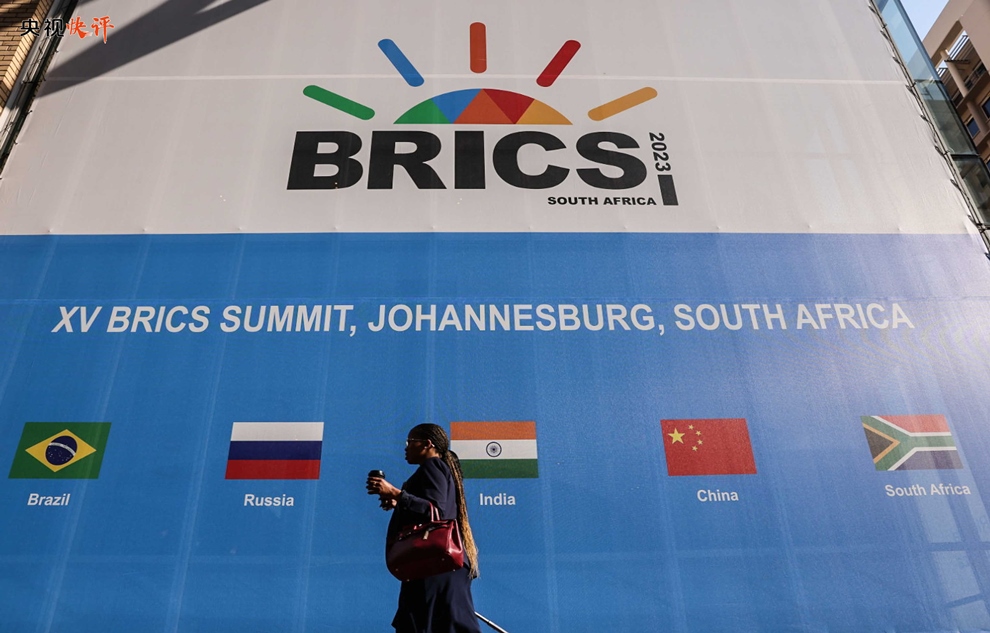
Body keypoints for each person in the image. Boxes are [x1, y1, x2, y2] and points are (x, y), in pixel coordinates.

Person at [366, 423, 482, 633]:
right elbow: (432, 509)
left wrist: (397, 493)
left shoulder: (432, 466)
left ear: (427, 444)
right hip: (435, 565)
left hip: (434, 565)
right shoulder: (438, 468)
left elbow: (436, 512)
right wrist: (399, 503)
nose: (406, 447)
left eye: (410, 442)